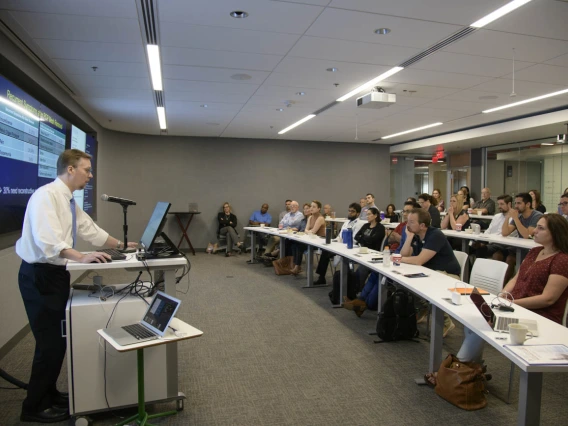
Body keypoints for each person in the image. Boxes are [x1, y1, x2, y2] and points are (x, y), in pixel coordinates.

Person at [16, 149, 137, 423]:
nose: (90, 175)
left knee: (58, 341)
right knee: (49, 344)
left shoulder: (68, 199)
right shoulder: (46, 196)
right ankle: (33, 407)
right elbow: (48, 243)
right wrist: (81, 256)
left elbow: (89, 230)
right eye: (86, 170)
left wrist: (121, 245)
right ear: (70, 169)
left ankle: (49, 394)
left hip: (54, 274)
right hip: (40, 276)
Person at [426, 214, 568, 386]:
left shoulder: (562, 260)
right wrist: (502, 296)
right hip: (516, 308)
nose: (534, 231)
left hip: (539, 317)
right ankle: (470, 371)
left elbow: (548, 299)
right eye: (536, 226)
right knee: (474, 320)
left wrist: (510, 303)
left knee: (482, 325)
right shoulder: (535, 252)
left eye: (541, 228)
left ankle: (455, 371)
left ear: (555, 233)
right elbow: (516, 278)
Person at [400, 208, 461, 335]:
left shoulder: (435, 235)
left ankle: (446, 322)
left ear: (422, 225)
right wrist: (409, 237)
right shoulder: (416, 236)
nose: (407, 224)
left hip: (448, 275)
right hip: (430, 272)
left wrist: (400, 259)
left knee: (432, 285)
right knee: (402, 282)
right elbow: (405, 254)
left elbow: (418, 261)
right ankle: (423, 307)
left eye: (411, 222)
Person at [314, 203, 364, 285]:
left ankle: (347, 281)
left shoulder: (359, 224)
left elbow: (354, 239)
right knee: (325, 251)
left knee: (332, 254)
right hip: (339, 245)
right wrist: (335, 241)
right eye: (349, 211)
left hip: (350, 247)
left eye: (353, 211)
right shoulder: (346, 222)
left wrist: (340, 242)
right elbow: (339, 236)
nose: (350, 213)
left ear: (358, 213)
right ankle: (321, 277)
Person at [500, 192, 543, 282]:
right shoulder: (519, 216)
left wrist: (515, 219)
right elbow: (505, 232)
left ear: (528, 204)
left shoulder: (537, 216)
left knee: (510, 259)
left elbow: (527, 235)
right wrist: (508, 217)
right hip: (520, 248)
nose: (516, 206)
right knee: (501, 256)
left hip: (532, 250)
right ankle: (502, 285)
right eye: (515, 203)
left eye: (519, 203)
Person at [352, 207, 386, 297]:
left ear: (375, 215)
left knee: (362, 269)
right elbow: (356, 236)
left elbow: (373, 240)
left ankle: (358, 291)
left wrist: (363, 238)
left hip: (374, 254)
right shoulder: (366, 225)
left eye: (369, 214)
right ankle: (353, 288)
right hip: (362, 252)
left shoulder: (380, 228)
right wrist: (365, 239)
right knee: (349, 263)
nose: (367, 216)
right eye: (367, 214)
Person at [473, 195, 516, 259]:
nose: (499, 207)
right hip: (491, 242)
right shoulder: (496, 216)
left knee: (482, 249)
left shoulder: (514, 218)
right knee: (474, 246)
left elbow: (510, 235)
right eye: (498, 204)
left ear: (509, 204)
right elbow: (489, 230)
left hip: (504, 244)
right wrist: (482, 238)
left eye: (502, 204)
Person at [290, 201, 325, 275]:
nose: (311, 208)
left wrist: (308, 231)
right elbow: (306, 230)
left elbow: (313, 231)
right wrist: (309, 231)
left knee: (299, 246)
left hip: (319, 242)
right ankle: (296, 266)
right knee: (294, 244)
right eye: (311, 206)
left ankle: (297, 267)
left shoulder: (320, 218)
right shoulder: (310, 217)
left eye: (314, 207)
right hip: (311, 240)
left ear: (319, 209)